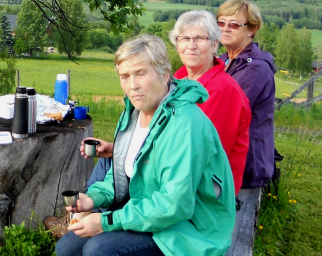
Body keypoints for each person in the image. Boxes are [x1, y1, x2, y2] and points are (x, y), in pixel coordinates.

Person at [55, 35, 236, 256]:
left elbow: (174, 204)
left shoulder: (185, 123)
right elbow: (121, 174)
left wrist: (106, 221)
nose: (133, 85)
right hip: (149, 210)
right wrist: (92, 199)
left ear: (164, 74)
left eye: (141, 73)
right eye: (125, 76)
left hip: (188, 230)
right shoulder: (134, 113)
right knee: (66, 248)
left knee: (99, 250)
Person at [169, 10, 251, 194]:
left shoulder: (222, 90)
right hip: (179, 175)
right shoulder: (180, 79)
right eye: (184, 38)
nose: (191, 46)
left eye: (200, 38)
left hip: (206, 190)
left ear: (214, 45)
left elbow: (200, 153)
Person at [216, 0, 276, 191]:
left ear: (252, 29)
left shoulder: (255, 69)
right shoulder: (225, 60)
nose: (225, 29)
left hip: (247, 166)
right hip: (229, 159)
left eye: (233, 24)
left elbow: (224, 112)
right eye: (220, 23)